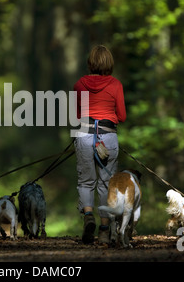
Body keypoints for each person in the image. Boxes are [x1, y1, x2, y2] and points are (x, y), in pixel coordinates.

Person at [73, 45, 126, 244]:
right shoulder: (116, 85)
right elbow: (122, 116)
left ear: (90, 63)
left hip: (84, 135)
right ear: (109, 63)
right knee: (106, 184)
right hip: (108, 136)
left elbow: (76, 115)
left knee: (86, 181)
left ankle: (88, 216)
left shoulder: (79, 84)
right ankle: (104, 231)